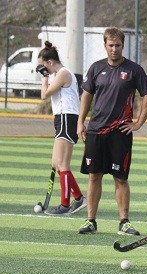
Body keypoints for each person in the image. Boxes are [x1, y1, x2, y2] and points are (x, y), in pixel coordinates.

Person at [77, 27, 147, 235]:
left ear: (122, 46)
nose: (114, 49)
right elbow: (87, 95)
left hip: (120, 132)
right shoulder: (95, 68)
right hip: (95, 130)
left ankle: (124, 222)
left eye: (117, 45)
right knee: (94, 175)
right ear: (105, 45)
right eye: (110, 45)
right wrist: (80, 122)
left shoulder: (134, 70)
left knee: (120, 178)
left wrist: (138, 123)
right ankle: (90, 221)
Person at [37, 41, 87, 215]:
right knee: (56, 164)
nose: (44, 70)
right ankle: (79, 198)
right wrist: (46, 75)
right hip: (61, 119)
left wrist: (44, 77)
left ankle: (65, 205)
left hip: (67, 118)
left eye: (44, 66)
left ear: (50, 62)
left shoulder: (63, 73)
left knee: (63, 164)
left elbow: (44, 95)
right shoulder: (59, 73)